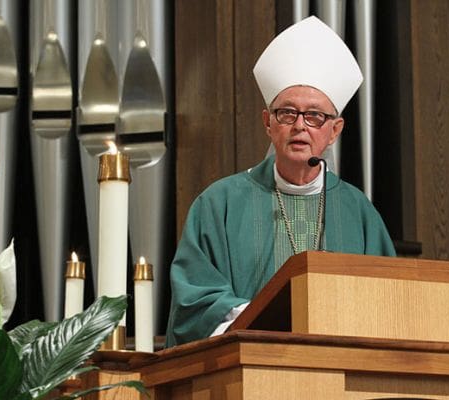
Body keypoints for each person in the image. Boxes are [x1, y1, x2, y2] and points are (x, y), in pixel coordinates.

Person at [165, 16, 396, 347]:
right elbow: (195, 299)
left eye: (315, 116)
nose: (300, 125)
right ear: (268, 123)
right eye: (287, 113)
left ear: (335, 131)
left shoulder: (358, 211)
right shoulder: (220, 204)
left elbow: (386, 301)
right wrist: (261, 320)